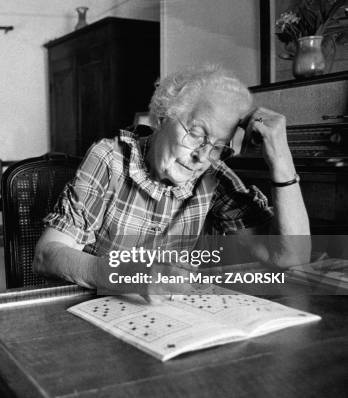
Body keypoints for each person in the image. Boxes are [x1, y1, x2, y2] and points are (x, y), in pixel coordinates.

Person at [33, 64, 310, 293]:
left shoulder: (212, 175)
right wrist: (123, 273)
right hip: (96, 313)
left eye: (216, 146)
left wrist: (281, 160)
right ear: (164, 117)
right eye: (197, 134)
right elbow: (47, 255)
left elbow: (291, 257)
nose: (202, 156)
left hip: (172, 321)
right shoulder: (110, 158)